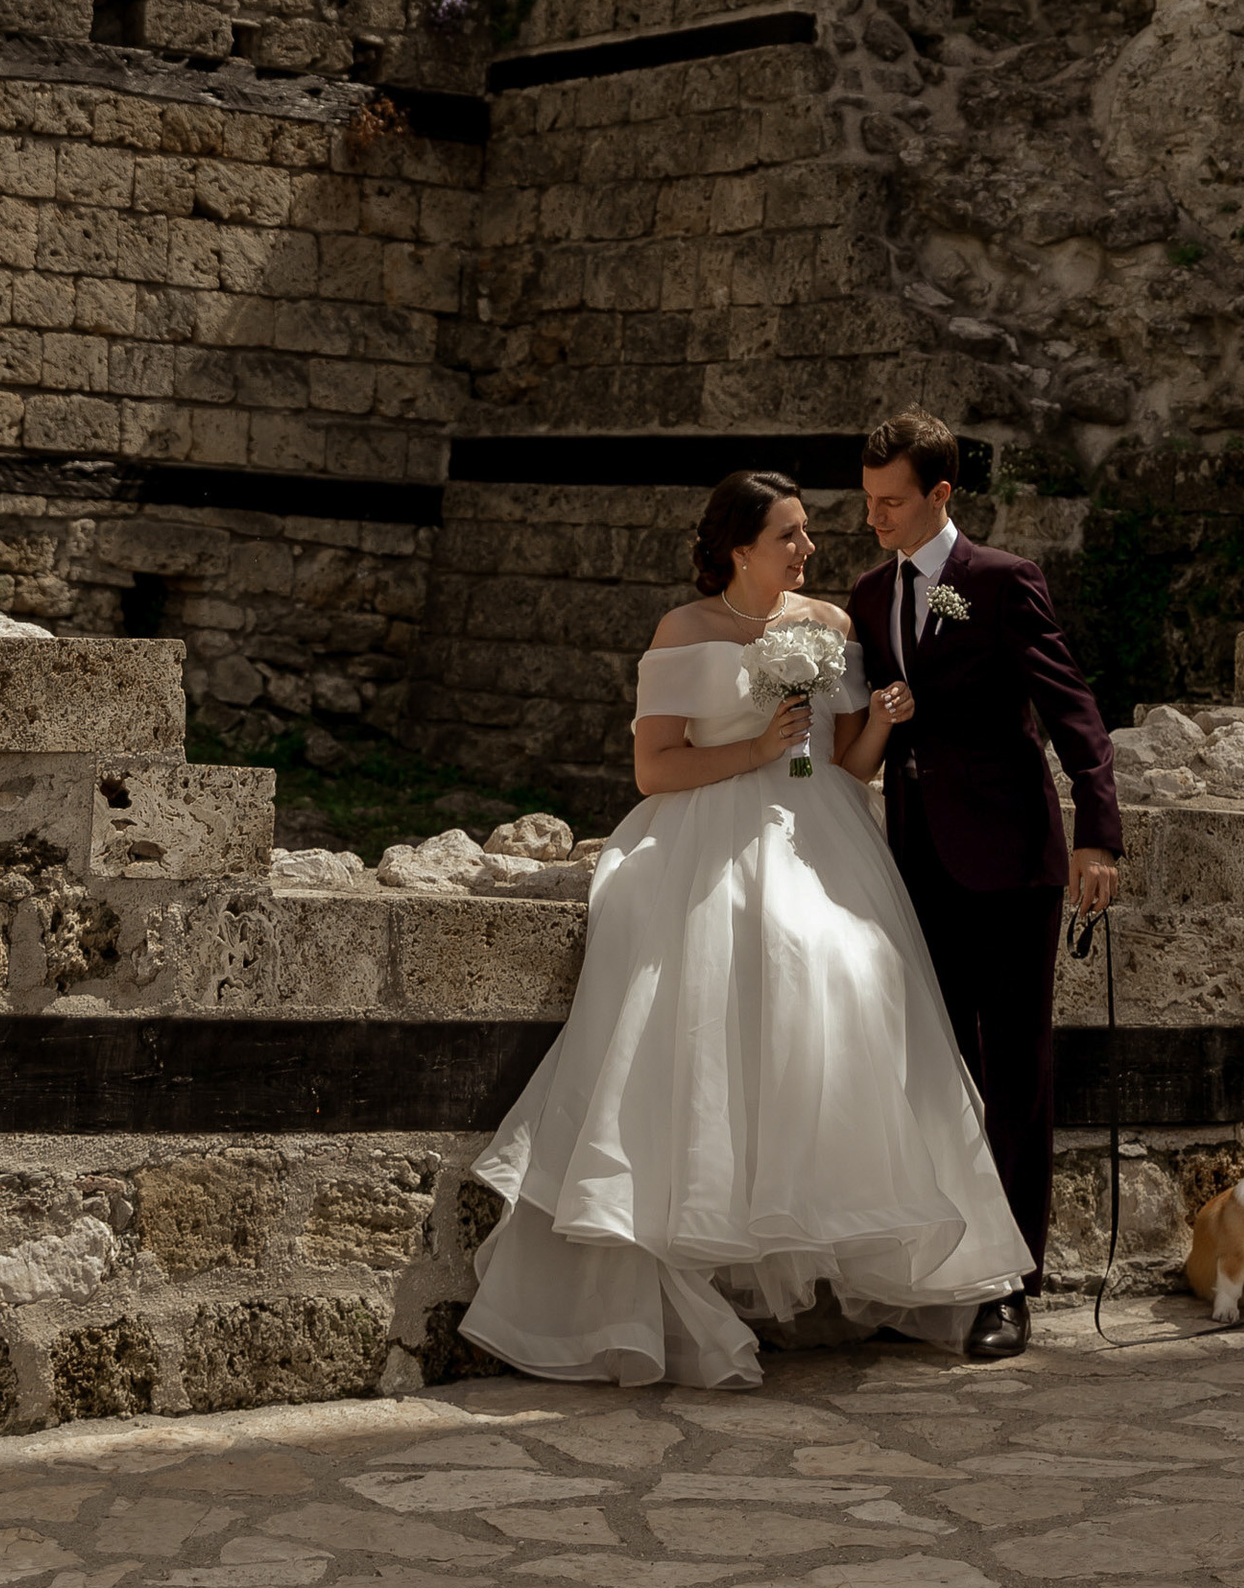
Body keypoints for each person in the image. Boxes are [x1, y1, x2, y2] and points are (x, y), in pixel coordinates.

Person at [457, 469, 1030, 1388]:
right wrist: (756, 751)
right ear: (737, 547)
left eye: (806, 533)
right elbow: (654, 769)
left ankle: (840, 1246)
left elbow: (844, 769)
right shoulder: (684, 632)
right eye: (788, 537)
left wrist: (880, 723)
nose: (809, 550)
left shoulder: (833, 627)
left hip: (819, 831)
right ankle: (696, 1256)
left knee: (844, 969)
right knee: (719, 973)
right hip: (702, 826)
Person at [848, 407, 1122, 1364]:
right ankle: (934, 1269)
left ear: (941, 495)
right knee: (928, 1068)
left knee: (1015, 1075)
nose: (874, 516)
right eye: (868, 499)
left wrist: (1100, 835)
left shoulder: (1002, 583)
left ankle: (1011, 1284)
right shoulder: (867, 590)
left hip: (1009, 858)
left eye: (892, 502)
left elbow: (1073, 709)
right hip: (914, 857)